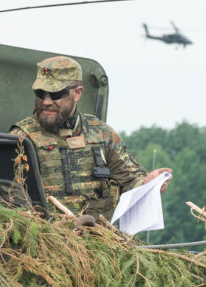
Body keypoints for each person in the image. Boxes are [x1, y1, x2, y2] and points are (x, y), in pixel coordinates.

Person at [9, 55, 171, 220]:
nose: (46, 101)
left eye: (56, 94)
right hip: (46, 239)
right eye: (40, 93)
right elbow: (9, 200)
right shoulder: (21, 138)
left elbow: (130, 180)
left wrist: (147, 184)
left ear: (77, 93)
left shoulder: (102, 134)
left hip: (97, 238)